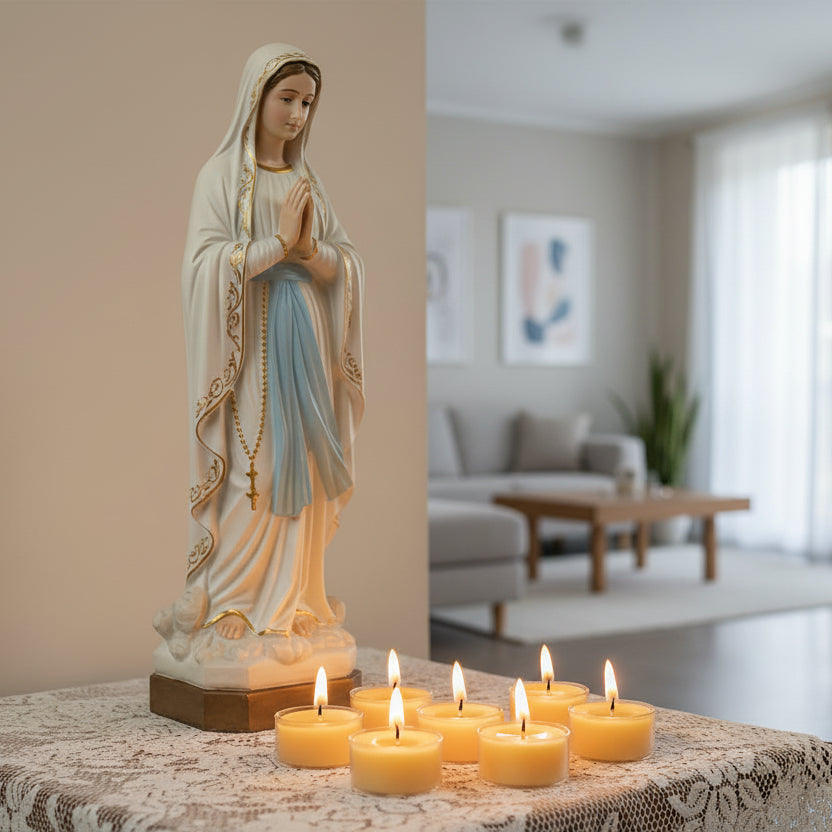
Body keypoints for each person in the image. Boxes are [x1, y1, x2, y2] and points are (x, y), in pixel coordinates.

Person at [154, 44, 364, 663]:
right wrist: (276, 244)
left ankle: (294, 602)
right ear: (256, 97)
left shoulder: (307, 181)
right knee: (259, 467)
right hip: (248, 341)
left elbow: (344, 263)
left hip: (306, 336)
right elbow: (202, 265)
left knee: (306, 468)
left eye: (308, 102)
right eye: (287, 98)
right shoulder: (220, 176)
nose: (298, 113)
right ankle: (233, 601)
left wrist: (309, 252)